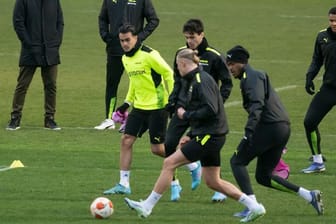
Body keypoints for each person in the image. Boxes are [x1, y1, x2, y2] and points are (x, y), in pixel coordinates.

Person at [124, 48, 266, 223]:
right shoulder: (194, 79)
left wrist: (186, 116)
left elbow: (211, 110)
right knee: (213, 181)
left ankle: (147, 206)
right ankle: (254, 207)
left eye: (177, 65)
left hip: (210, 136)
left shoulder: (201, 80)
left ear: (183, 63)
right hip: (210, 135)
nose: (177, 69)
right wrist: (191, 134)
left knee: (169, 163)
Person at [226, 45, 324, 218]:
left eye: (232, 64)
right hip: (281, 128)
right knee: (263, 176)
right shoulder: (258, 75)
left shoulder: (251, 78)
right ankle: (309, 196)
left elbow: (257, 105)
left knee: (237, 161)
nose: (230, 68)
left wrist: (248, 132)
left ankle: (252, 206)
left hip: (268, 127)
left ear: (241, 63)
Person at [165, 18, 232, 202]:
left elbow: (227, 83)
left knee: (210, 148)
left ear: (202, 35)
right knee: (169, 143)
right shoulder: (181, 54)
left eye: (192, 37)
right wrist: (173, 102)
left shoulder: (214, 56)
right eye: (186, 37)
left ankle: (218, 186)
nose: (189, 41)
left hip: (203, 112)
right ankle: (175, 184)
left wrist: (218, 104)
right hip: (182, 108)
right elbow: (176, 80)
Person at [103, 24, 174, 195]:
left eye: (128, 40)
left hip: (158, 107)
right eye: (122, 41)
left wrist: (173, 99)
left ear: (136, 38)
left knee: (157, 149)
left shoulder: (150, 55)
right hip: (139, 107)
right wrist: (127, 103)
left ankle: (191, 162)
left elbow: (168, 74)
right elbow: (135, 83)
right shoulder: (125, 59)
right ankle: (124, 184)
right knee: (126, 140)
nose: (125, 44)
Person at [95, 0, 159, 131]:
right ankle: (109, 119)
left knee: (139, 84)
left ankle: (136, 120)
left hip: (135, 52)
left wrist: (139, 38)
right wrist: (105, 36)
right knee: (112, 84)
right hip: (114, 50)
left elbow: (153, 20)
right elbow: (102, 18)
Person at [6, 0, 64, 131]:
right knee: (22, 85)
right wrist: (29, 44)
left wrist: (56, 41)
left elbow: (60, 22)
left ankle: (49, 119)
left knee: (51, 86)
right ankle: (15, 117)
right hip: (30, 50)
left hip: (50, 49)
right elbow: (18, 23)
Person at [301, 7, 336, 173]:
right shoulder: (322, 36)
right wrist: (310, 77)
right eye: (331, 20)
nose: (333, 23)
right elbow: (317, 60)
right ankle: (317, 161)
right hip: (330, 88)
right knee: (310, 122)